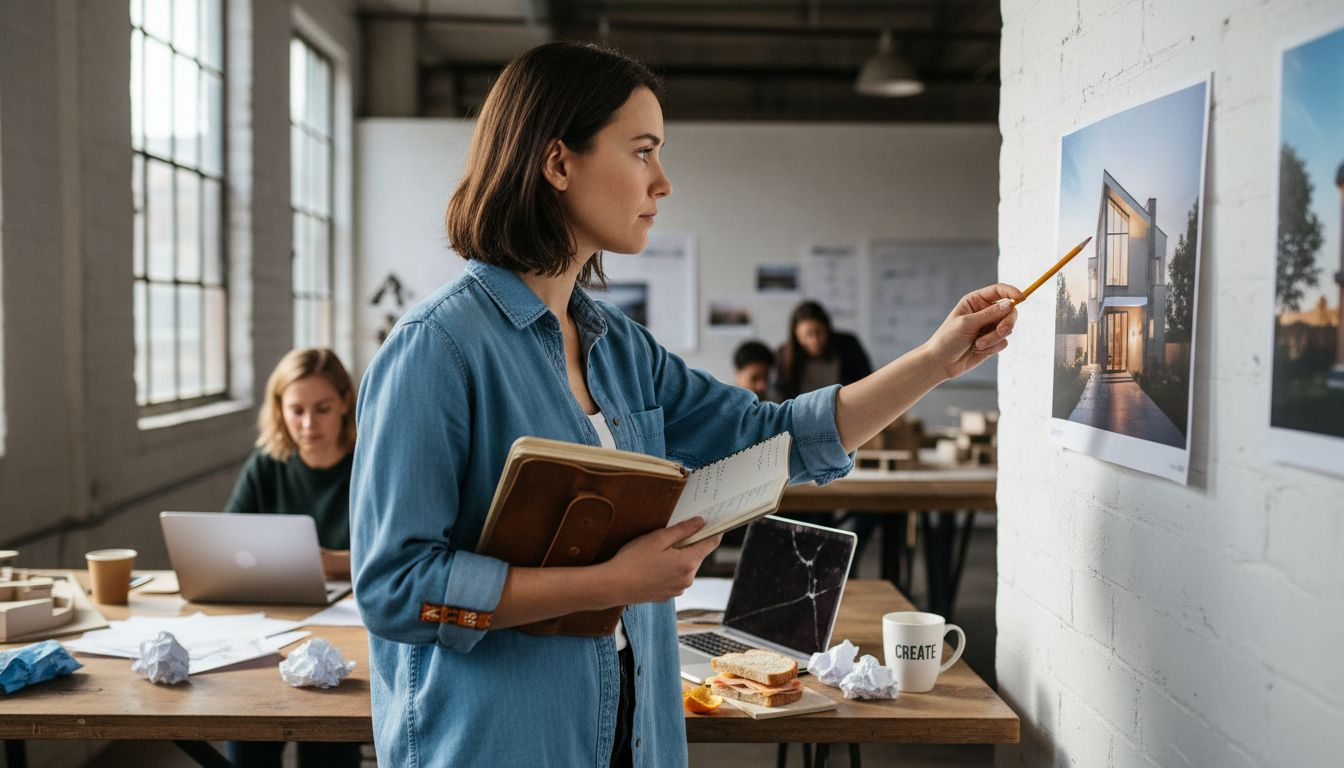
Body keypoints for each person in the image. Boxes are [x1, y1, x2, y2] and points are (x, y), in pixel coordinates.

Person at [350, 41, 1020, 768]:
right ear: (558, 163)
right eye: (642, 151)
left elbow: (772, 437)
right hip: (499, 742)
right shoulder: (437, 350)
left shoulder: (619, 348)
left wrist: (934, 362)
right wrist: (614, 583)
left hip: (632, 728)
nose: (662, 182)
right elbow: (395, 588)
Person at [222, 347, 361, 768]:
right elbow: (227, 542)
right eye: (295, 410)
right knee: (249, 730)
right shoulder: (267, 465)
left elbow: (400, 556)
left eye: (322, 409)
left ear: (344, 404)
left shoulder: (369, 463)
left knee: (328, 743)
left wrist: (335, 561)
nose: (307, 424)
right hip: (275, 623)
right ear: (278, 409)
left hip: (349, 631)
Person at [773, 301, 874, 401]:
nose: (815, 340)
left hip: (848, 412)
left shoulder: (848, 345)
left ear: (828, 329)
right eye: (808, 334)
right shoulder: (784, 355)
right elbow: (779, 397)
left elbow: (868, 383)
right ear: (796, 335)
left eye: (819, 332)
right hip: (800, 416)